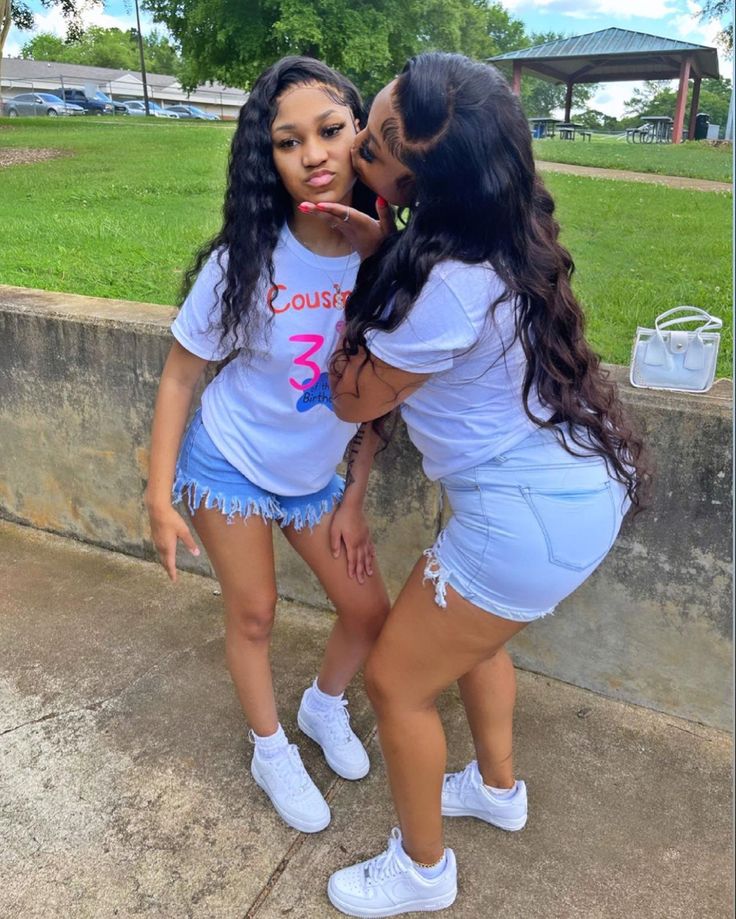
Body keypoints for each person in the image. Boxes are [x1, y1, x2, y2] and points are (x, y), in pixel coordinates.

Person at [301, 52, 648, 916]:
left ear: (423, 186)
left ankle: (423, 871)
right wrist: (395, 247)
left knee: (396, 683)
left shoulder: (443, 287)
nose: (358, 149)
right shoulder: (502, 232)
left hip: (522, 523)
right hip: (574, 498)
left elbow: (350, 396)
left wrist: (364, 271)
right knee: (473, 639)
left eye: (375, 144)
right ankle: (497, 789)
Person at [144, 56, 392, 836]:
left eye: (329, 131)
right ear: (269, 158)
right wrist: (158, 496)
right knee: (254, 612)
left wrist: (353, 495)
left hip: (317, 477)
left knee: (367, 610)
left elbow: (383, 396)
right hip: (232, 464)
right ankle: (269, 746)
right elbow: (182, 378)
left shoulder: (388, 260)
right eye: (288, 143)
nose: (313, 155)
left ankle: (321, 708)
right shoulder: (243, 262)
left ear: (362, 134)